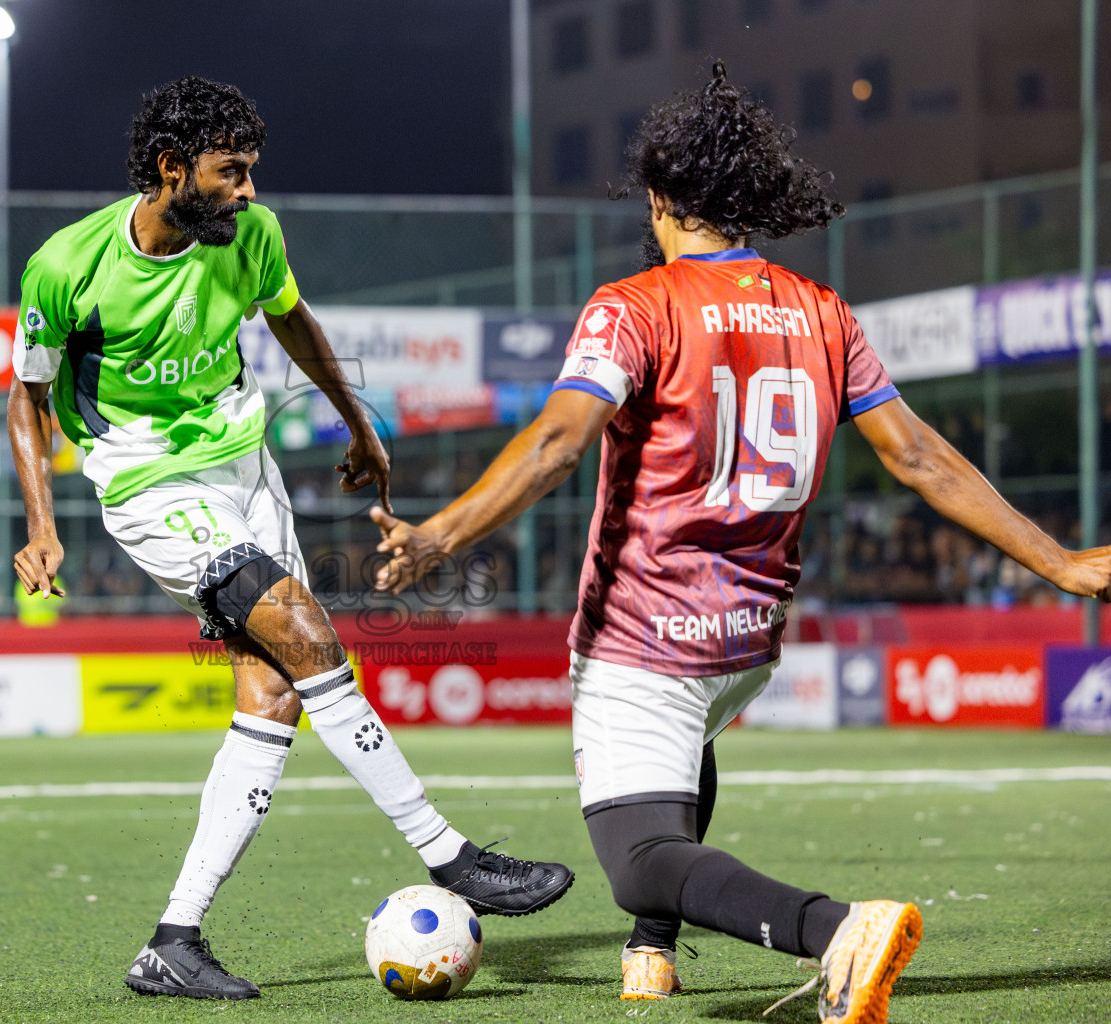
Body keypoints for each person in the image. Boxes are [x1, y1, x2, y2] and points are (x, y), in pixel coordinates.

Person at [370, 63, 1111, 1024]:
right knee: (685, 746)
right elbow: (920, 458)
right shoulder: (822, 311)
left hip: (644, 637)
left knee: (639, 863)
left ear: (661, 197)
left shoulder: (633, 308)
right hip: (749, 641)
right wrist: (1060, 561)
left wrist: (441, 533)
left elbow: (559, 440)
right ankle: (653, 953)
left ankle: (836, 928)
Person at [6, 76, 573, 1002]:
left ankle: (173, 940)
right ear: (170, 168)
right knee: (310, 638)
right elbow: (26, 399)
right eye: (231, 173)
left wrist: (360, 422)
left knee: (274, 693)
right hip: (149, 483)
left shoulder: (252, 238)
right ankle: (449, 854)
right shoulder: (66, 268)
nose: (250, 192)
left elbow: (290, 320)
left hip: (247, 468)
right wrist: (41, 524)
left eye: (252, 172)